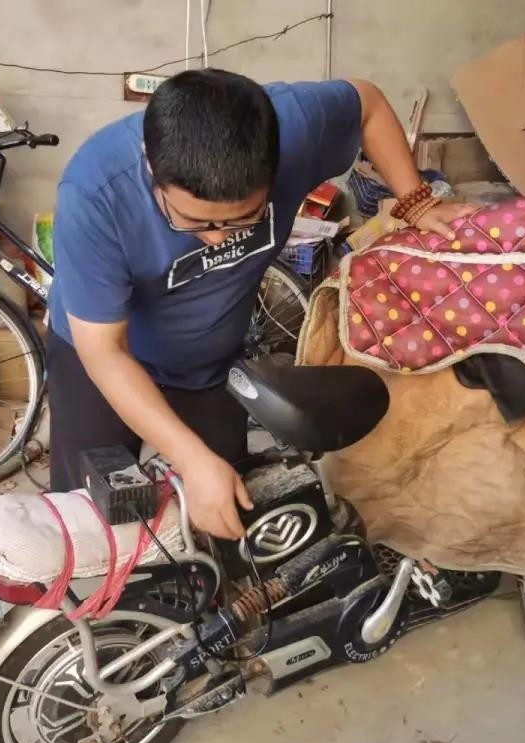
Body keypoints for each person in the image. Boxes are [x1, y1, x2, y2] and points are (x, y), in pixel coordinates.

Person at [48, 69, 471, 540]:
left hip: (209, 362)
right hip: (103, 359)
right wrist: (188, 458)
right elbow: (104, 350)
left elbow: (366, 103)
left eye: (242, 220)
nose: (215, 238)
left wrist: (415, 202)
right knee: (92, 517)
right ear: (150, 164)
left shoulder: (295, 125)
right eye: (191, 221)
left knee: (229, 506)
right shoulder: (96, 193)